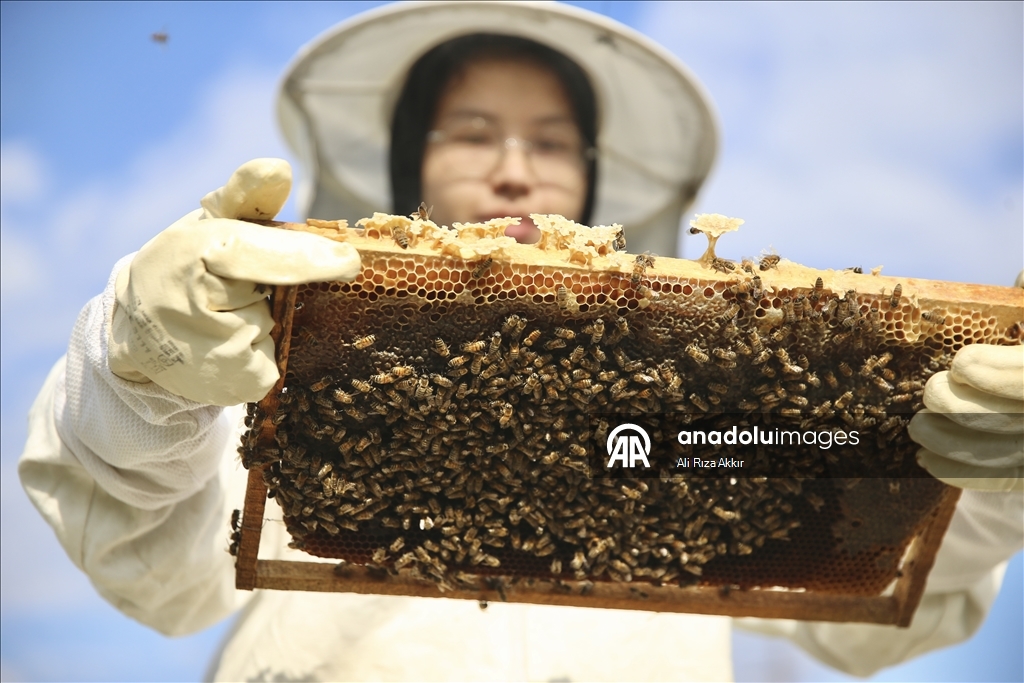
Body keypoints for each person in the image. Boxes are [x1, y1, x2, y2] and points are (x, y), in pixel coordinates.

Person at [18, 3, 1023, 681]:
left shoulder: (700, 416)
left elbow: (875, 579)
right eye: (471, 130)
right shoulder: (294, 364)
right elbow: (152, 561)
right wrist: (142, 370)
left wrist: (985, 488)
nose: (514, 172)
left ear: (587, 176)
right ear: (415, 156)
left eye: (548, 141)